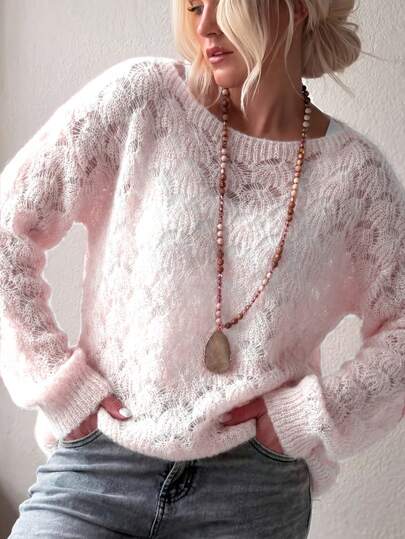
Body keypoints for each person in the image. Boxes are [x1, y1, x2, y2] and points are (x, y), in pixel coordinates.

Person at [1, 0, 404, 537]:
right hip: (99, 466)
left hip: (252, 489)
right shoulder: (143, 101)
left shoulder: (355, 178)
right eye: (194, 5)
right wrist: (58, 386)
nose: (205, 25)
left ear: (297, 9)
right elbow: (8, 230)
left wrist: (311, 416)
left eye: (226, 4)